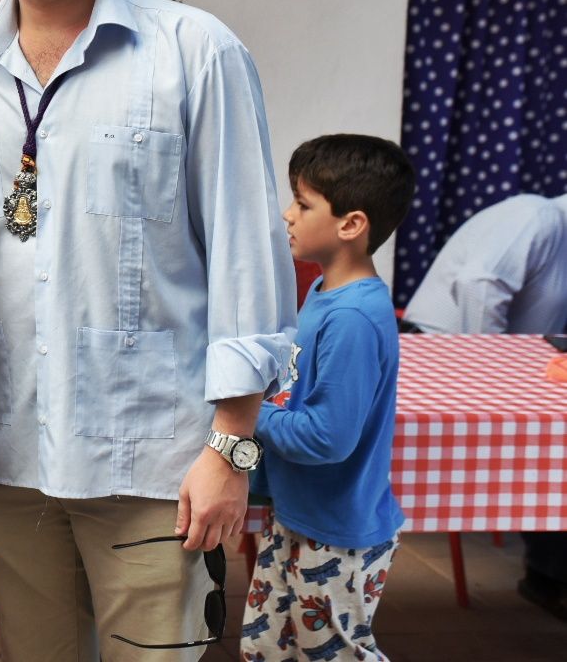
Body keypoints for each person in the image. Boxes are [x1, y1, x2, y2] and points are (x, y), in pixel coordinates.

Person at [0, 0, 295, 660]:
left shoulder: (195, 51)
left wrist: (231, 450)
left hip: (155, 462)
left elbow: (248, 259)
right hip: (4, 457)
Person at [241, 134, 415, 661]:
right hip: (297, 515)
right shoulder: (324, 292)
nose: (288, 214)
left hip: (336, 533)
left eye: (303, 203)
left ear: (351, 225)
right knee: (264, 648)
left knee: (333, 655)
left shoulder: (353, 317)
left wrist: (247, 412)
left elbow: (326, 438)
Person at [402, 192, 567, 620]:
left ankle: (550, 575)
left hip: (516, 372)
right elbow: (479, 284)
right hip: (439, 359)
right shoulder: (538, 216)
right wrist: (493, 370)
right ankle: (549, 577)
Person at [402, 193, 567, 336]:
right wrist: (492, 357)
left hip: (514, 358)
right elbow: (479, 286)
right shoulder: (538, 215)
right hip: (438, 345)